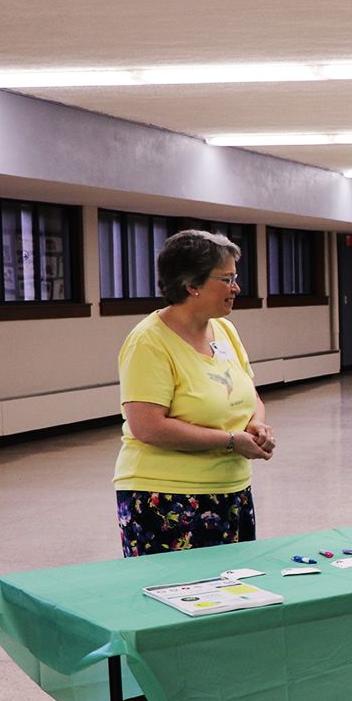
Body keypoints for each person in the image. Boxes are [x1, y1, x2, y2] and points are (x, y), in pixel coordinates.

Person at [114, 230, 275, 557]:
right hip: (168, 499)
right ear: (192, 285)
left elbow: (249, 394)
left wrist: (256, 426)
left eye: (235, 277)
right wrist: (231, 441)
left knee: (235, 593)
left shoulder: (225, 330)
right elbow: (148, 427)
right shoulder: (148, 342)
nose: (236, 288)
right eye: (227, 279)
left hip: (232, 491)